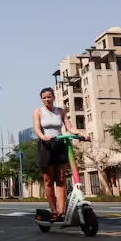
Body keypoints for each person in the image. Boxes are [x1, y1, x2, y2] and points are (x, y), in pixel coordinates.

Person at [32, 87, 87, 222]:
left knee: (61, 179)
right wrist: (43, 137)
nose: (47, 99)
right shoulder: (38, 111)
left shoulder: (60, 111)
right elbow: (37, 129)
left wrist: (81, 134)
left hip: (60, 144)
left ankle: (61, 213)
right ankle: (54, 212)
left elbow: (70, 127)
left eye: (49, 97)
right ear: (41, 99)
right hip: (46, 145)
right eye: (44, 98)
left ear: (54, 97)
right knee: (48, 180)